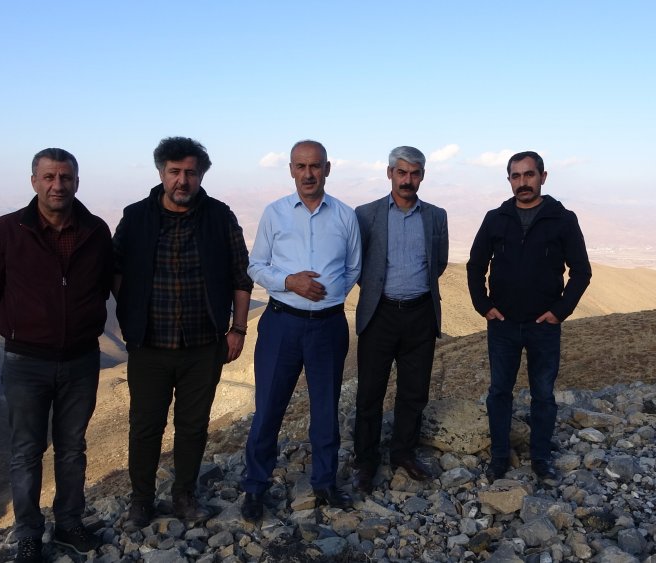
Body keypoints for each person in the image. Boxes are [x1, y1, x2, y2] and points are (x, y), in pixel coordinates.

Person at [0, 148, 111, 562]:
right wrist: (15, 329)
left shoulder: (95, 230)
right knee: (26, 451)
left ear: (77, 182)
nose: (57, 185)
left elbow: (104, 283)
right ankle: (29, 533)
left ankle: (69, 524)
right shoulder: (6, 230)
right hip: (25, 362)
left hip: (81, 359)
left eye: (65, 177)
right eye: (49, 177)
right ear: (34, 181)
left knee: (72, 448)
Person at [112, 137, 253, 527]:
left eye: (190, 172)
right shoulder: (136, 217)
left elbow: (241, 276)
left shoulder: (220, 217)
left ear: (201, 174)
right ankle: (141, 500)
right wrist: (131, 313)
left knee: (193, 426)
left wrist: (238, 329)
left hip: (203, 345)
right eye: (174, 171)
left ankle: (184, 495)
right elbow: (116, 268)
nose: (182, 180)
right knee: (145, 426)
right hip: (149, 345)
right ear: (161, 173)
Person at [241, 140, 361, 521]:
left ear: (327, 169)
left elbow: (354, 268)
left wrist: (329, 296)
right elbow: (255, 265)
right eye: (301, 166)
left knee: (325, 407)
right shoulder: (274, 213)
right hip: (282, 324)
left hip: (328, 327)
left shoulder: (345, 216)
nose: (308, 174)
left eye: (315, 166)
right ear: (291, 170)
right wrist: (289, 282)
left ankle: (325, 482)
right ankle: (255, 486)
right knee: (268, 407)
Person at [466, 150, 591, 482]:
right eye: (516, 176)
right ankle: (499, 457)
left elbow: (581, 271)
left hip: (543, 326)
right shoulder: (495, 218)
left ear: (543, 177)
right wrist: (483, 305)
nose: (523, 182)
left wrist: (560, 311)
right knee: (499, 392)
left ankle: (540, 458)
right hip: (503, 325)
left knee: (543, 395)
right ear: (509, 180)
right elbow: (475, 265)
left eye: (529, 175)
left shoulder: (562, 219)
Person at [351, 146, 449, 493]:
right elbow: (359, 264)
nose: (408, 180)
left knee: (414, 391)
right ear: (389, 173)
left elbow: (438, 263)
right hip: (380, 314)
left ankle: (403, 453)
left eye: (414, 173)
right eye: (402, 172)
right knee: (369, 392)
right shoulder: (366, 214)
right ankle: (366, 461)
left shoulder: (436, 216)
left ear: (422, 176)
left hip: (420, 314)